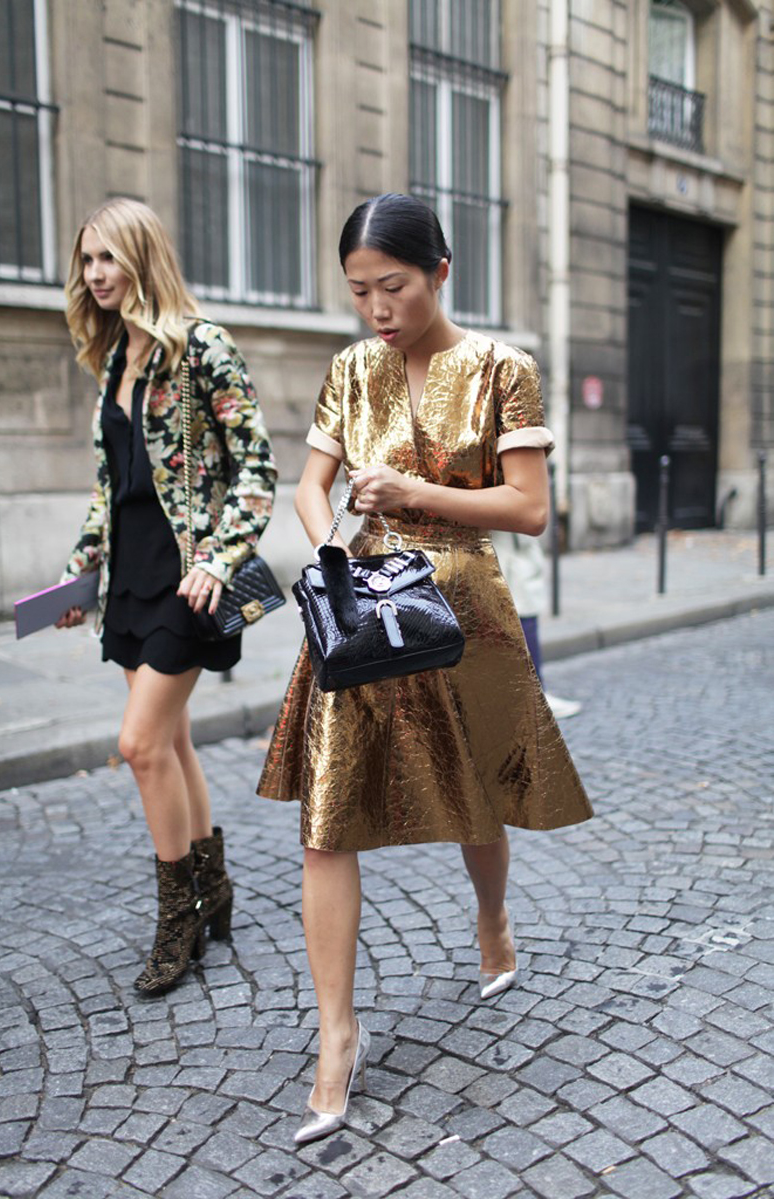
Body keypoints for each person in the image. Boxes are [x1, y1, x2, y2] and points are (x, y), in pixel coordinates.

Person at [257, 193, 593, 1145]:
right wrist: (333, 554)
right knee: (327, 821)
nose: (376, 308)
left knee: (477, 796)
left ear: (440, 271)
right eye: (360, 290)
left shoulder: (502, 369)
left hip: (466, 609)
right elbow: (309, 487)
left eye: (392, 286)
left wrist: (413, 491)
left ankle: (492, 917)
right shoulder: (351, 369)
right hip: (363, 613)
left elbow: (529, 509)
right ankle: (338, 1034)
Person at [57, 198, 276, 995]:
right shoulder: (116, 354)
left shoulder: (203, 348)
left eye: (108, 258)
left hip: (190, 581)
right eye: (86, 262)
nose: (95, 275)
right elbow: (110, 482)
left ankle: (177, 917)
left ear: (141, 256)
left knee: (140, 745)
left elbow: (256, 469)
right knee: (173, 742)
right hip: (130, 582)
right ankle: (213, 886)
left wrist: (219, 558)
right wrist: (82, 568)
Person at [491, 531, 582, 718]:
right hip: (501, 535)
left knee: (523, 601)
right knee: (519, 603)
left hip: (512, 537)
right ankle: (533, 694)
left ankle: (532, 692)